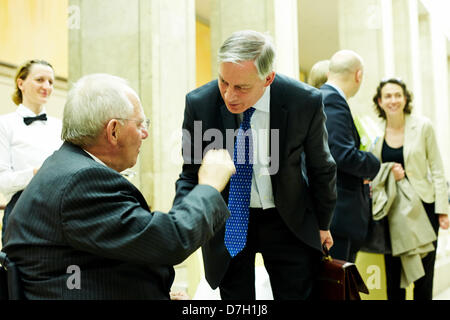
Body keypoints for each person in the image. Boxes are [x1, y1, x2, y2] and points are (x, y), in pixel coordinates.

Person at [1, 73, 235, 299]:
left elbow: (106, 259)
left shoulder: (65, 165)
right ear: (113, 130)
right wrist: (209, 187)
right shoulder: (82, 181)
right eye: (141, 124)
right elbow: (169, 241)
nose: (145, 134)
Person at [174, 30, 337, 300]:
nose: (229, 95)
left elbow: (322, 167)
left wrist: (323, 223)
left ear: (268, 78)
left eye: (241, 87)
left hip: (287, 220)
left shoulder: (303, 101)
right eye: (223, 81)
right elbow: (190, 173)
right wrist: (183, 223)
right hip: (230, 220)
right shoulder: (199, 104)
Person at [371, 77, 449, 300]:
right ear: (380, 101)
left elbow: (437, 169)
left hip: (423, 208)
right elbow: (372, 170)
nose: (393, 100)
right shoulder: (375, 132)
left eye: (397, 95)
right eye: (388, 96)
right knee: (394, 279)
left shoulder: (423, 126)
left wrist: (442, 210)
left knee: (424, 279)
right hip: (391, 212)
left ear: (405, 99)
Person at [320, 50, 380, 263]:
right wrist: (374, 163)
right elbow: (342, 154)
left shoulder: (326, 98)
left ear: (329, 73)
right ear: (358, 75)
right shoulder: (333, 101)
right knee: (338, 286)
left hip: (338, 215)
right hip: (340, 215)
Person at [0, 60, 62, 242]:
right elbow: (2, 181)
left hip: (58, 211)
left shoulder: (60, 126)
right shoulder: (4, 124)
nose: (46, 86)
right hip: (20, 211)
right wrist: (35, 173)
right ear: (21, 83)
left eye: (51, 82)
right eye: (40, 80)